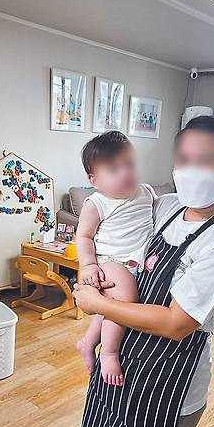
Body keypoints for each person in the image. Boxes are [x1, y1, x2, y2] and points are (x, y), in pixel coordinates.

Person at [73, 116, 214, 427]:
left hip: (169, 382)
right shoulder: (167, 206)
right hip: (124, 358)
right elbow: (110, 241)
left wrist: (98, 305)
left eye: (204, 161)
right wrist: (88, 271)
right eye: (183, 159)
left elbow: (177, 323)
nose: (189, 170)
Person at [75, 131, 156, 386]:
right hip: (112, 261)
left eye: (129, 164)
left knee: (107, 308)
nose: (125, 173)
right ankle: (109, 352)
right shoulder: (97, 203)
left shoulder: (146, 192)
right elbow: (84, 237)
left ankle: (88, 342)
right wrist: (88, 265)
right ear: (95, 179)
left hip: (137, 260)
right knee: (123, 300)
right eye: (113, 169)